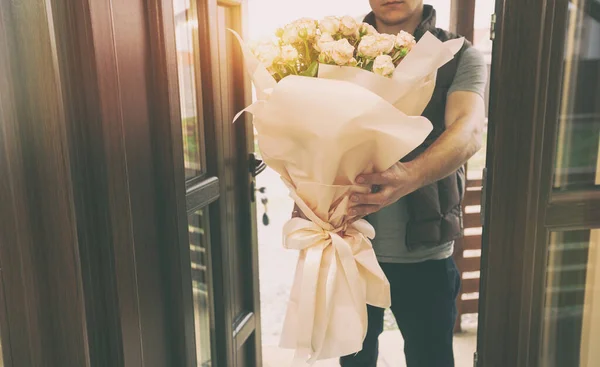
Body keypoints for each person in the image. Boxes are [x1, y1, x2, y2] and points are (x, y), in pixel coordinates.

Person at [343, 1, 486, 366]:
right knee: (354, 361)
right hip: (347, 247)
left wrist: (409, 176)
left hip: (425, 251)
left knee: (431, 359)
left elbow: (468, 130)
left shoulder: (456, 54)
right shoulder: (334, 51)